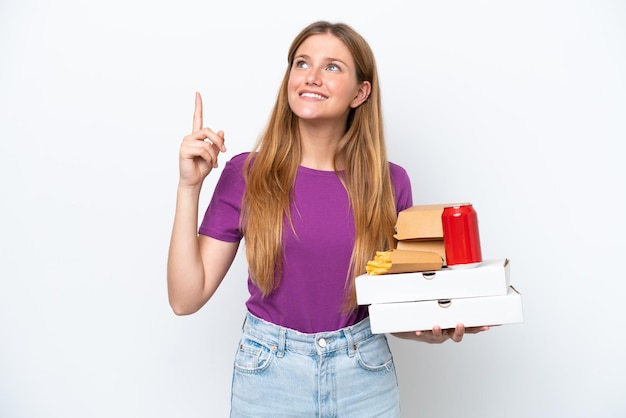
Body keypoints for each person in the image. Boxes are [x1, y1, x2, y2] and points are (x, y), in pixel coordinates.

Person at [167, 20, 489, 417]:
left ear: (360, 92)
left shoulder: (389, 183)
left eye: (332, 67)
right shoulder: (247, 173)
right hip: (269, 376)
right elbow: (185, 298)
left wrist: (435, 328)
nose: (312, 77)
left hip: (364, 375)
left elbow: (389, 308)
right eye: (301, 63)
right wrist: (189, 188)